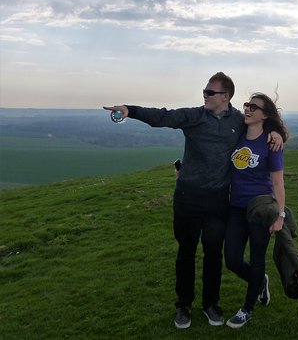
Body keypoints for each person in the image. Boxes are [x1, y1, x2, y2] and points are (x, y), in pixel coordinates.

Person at [103, 72, 283, 329]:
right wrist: (129, 110)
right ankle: (183, 306)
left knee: (213, 255)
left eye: (210, 92)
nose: (205, 96)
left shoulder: (238, 120)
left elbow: (261, 126)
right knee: (185, 253)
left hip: (218, 201)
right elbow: (163, 116)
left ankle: (211, 305)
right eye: (204, 92)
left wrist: (276, 133)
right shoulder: (194, 116)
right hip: (187, 198)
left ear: (225, 96)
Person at [224, 93, 288, 329]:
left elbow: (278, 182)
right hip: (236, 207)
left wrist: (280, 215)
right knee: (231, 259)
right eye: (247, 105)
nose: (248, 109)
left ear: (265, 115)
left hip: (261, 209)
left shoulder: (272, 143)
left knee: (257, 258)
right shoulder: (238, 134)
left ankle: (247, 309)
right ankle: (259, 281)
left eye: (254, 106)